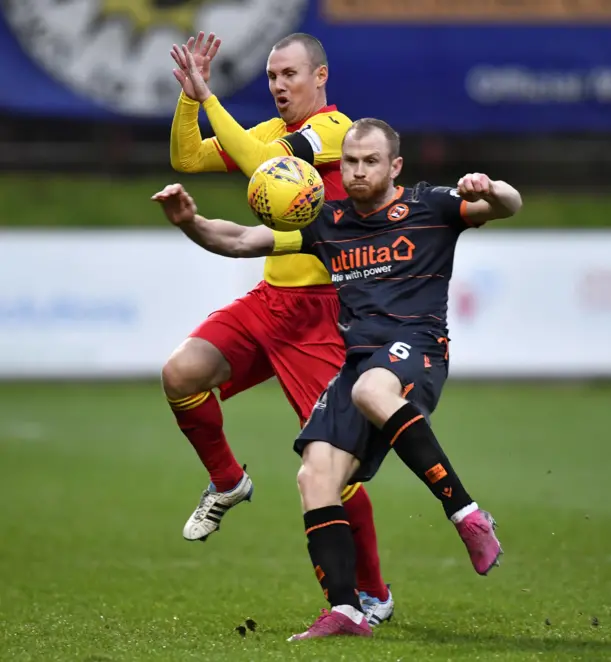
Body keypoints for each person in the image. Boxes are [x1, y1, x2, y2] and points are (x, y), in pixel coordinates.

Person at [152, 117, 523, 640]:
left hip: (417, 349)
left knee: (371, 389)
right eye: (349, 161)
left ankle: (466, 515)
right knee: (315, 476)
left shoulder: (430, 206)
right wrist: (189, 221)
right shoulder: (328, 221)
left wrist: (489, 186)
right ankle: (347, 611)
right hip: (358, 362)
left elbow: (509, 205)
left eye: (370, 161)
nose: (357, 171)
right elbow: (239, 240)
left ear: (395, 166)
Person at [165, 32, 393, 623]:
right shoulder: (270, 131)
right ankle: (227, 481)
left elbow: (268, 166)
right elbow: (190, 158)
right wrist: (191, 101)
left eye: (289, 74)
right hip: (272, 301)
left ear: (321, 76)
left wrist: (208, 96)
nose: (278, 86)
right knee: (181, 373)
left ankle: (373, 592)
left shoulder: (338, 130)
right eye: (271, 77)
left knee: (332, 467)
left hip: (323, 312)